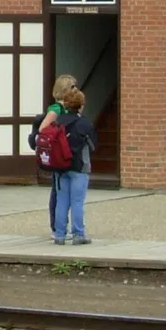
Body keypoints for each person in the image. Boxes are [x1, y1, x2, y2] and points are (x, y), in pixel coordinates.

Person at [32, 74, 77, 233]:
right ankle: (56, 226)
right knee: (57, 191)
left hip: (62, 153)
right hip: (57, 155)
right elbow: (43, 130)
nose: (76, 89)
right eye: (73, 87)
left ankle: (60, 225)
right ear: (65, 89)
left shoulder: (65, 108)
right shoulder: (56, 109)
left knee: (60, 190)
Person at [53, 87, 97, 245]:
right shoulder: (84, 123)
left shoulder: (58, 122)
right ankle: (78, 234)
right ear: (81, 105)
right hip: (79, 167)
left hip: (60, 167)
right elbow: (93, 145)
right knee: (77, 201)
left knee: (62, 200)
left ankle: (59, 235)